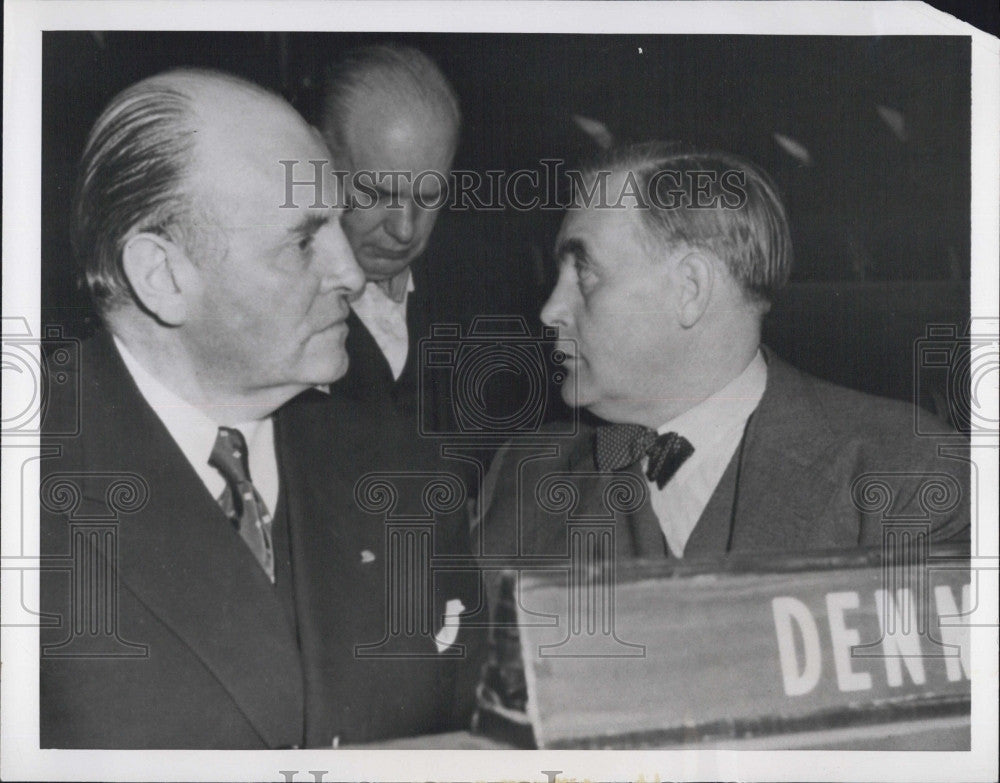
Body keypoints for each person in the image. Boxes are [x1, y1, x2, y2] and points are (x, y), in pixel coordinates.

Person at [40, 68, 478, 749]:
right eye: (303, 240)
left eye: (337, 223)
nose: (353, 273)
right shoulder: (30, 484)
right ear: (163, 276)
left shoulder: (400, 471)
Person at [474, 143, 969, 718]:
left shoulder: (909, 477)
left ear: (690, 288)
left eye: (583, 272)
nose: (550, 309)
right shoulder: (524, 479)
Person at [318, 44, 461, 427]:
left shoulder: (494, 291)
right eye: (377, 194)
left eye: (429, 196)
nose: (405, 229)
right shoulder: (273, 304)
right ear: (316, 164)